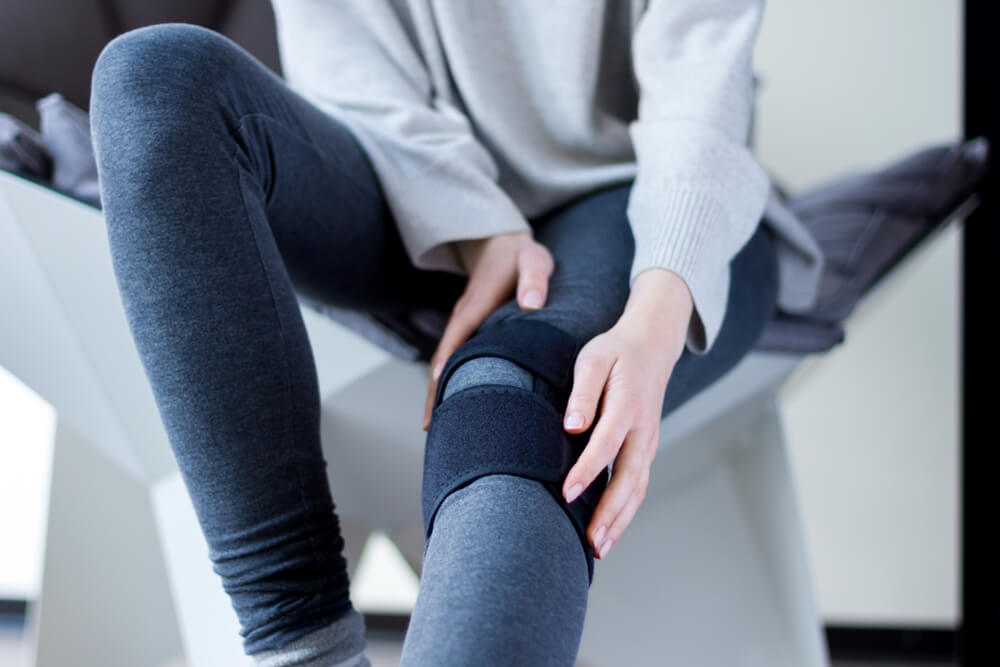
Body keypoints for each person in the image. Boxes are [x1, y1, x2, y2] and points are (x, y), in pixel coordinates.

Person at [88, 1, 786, 664]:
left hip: (628, 186)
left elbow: (701, 75)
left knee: (513, 402)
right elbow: (348, 58)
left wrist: (656, 316)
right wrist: (476, 226)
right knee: (155, 79)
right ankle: (304, 653)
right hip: (399, 166)